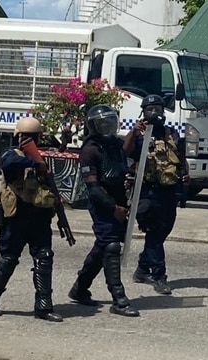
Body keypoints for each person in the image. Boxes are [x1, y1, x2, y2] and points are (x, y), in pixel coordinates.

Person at [0, 117, 63, 322]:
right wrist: (36, 162)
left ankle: (44, 306)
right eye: (26, 137)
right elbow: (9, 164)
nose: (30, 140)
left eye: (33, 137)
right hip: (16, 218)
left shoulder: (43, 155)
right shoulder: (13, 155)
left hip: (40, 218)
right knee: (8, 260)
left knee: (44, 258)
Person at [67, 104, 139, 317]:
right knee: (111, 246)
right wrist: (112, 207)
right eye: (103, 122)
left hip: (120, 200)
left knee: (103, 246)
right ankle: (119, 298)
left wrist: (135, 133)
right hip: (103, 203)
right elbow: (93, 187)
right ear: (94, 126)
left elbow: (126, 152)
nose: (107, 125)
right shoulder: (90, 150)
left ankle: (80, 288)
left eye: (110, 121)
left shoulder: (113, 144)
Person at [126, 94, 189, 294]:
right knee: (154, 233)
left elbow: (180, 159)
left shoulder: (171, 133)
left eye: (158, 109)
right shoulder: (138, 134)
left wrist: (185, 176)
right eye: (150, 109)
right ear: (143, 111)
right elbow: (126, 152)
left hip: (169, 190)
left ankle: (143, 269)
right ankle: (159, 276)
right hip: (147, 191)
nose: (155, 113)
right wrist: (134, 133)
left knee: (163, 231)